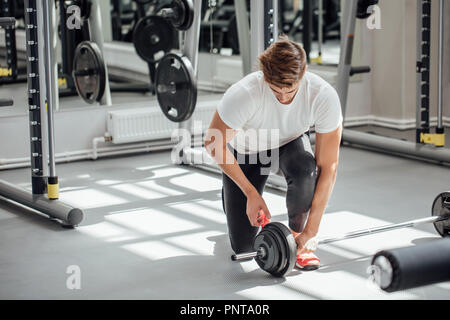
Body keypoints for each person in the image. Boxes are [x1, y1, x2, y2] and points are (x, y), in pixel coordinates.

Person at [204, 36, 342, 271]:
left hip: (290, 144)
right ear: (265, 76)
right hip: (248, 153)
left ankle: (299, 241)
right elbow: (213, 143)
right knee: (245, 248)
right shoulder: (245, 93)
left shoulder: (323, 96)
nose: (283, 98)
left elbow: (328, 166)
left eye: (290, 92)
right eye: (276, 91)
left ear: (304, 73)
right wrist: (249, 193)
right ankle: (234, 190)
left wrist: (311, 231)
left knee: (306, 169)